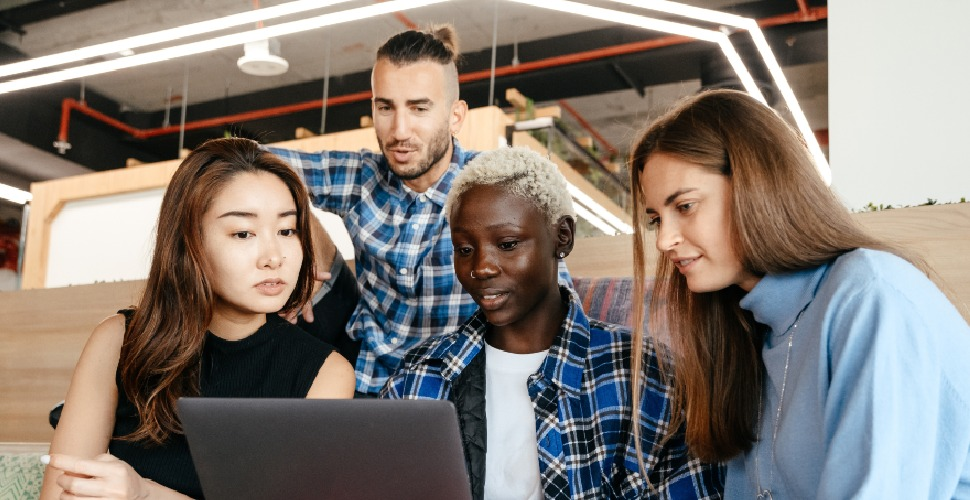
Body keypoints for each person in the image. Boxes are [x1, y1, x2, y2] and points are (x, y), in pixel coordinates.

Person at [630, 89, 970, 498]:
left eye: (684, 206)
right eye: (655, 220)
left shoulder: (870, 296)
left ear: (758, 186)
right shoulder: (749, 330)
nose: (664, 240)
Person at [382, 147, 723, 499]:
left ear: (563, 237)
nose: (481, 267)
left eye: (508, 244)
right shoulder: (420, 376)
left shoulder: (645, 375)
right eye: (465, 249)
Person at [40, 138, 356, 500]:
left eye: (287, 230)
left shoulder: (325, 373)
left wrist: (144, 494)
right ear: (189, 243)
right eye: (243, 233)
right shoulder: (118, 341)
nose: (274, 257)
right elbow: (58, 494)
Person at [269, 25, 568, 397]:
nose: (399, 130)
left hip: (457, 385)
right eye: (385, 108)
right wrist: (292, 255)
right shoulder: (362, 176)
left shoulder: (495, 188)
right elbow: (239, 159)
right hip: (368, 377)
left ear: (455, 116)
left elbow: (555, 297)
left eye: (419, 108)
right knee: (269, 185)